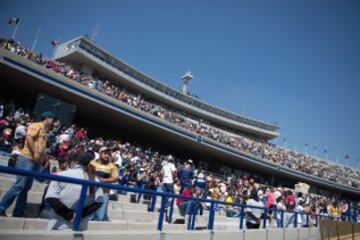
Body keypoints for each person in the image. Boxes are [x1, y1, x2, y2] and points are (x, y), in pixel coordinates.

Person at [0, 111, 55, 217]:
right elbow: (28, 137)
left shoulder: (44, 130)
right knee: (20, 185)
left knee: (25, 188)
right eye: (52, 118)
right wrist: (35, 152)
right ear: (47, 118)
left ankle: (19, 211)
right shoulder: (36, 125)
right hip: (27, 159)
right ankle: (1, 207)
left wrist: (42, 159)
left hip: (35, 162)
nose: (53, 121)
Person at [45, 151, 103, 230]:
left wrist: (68, 214)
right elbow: (99, 202)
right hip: (80, 224)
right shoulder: (96, 180)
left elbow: (51, 197)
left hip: (58, 223)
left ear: (75, 161)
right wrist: (79, 214)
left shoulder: (60, 175)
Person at [89, 147, 118, 221]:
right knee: (89, 215)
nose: (107, 156)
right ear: (100, 154)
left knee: (100, 216)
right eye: (105, 153)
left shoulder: (112, 165)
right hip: (92, 191)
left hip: (104, 192)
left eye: (108, 154)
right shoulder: (92, 162)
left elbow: (115, 178)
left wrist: (103, 180)